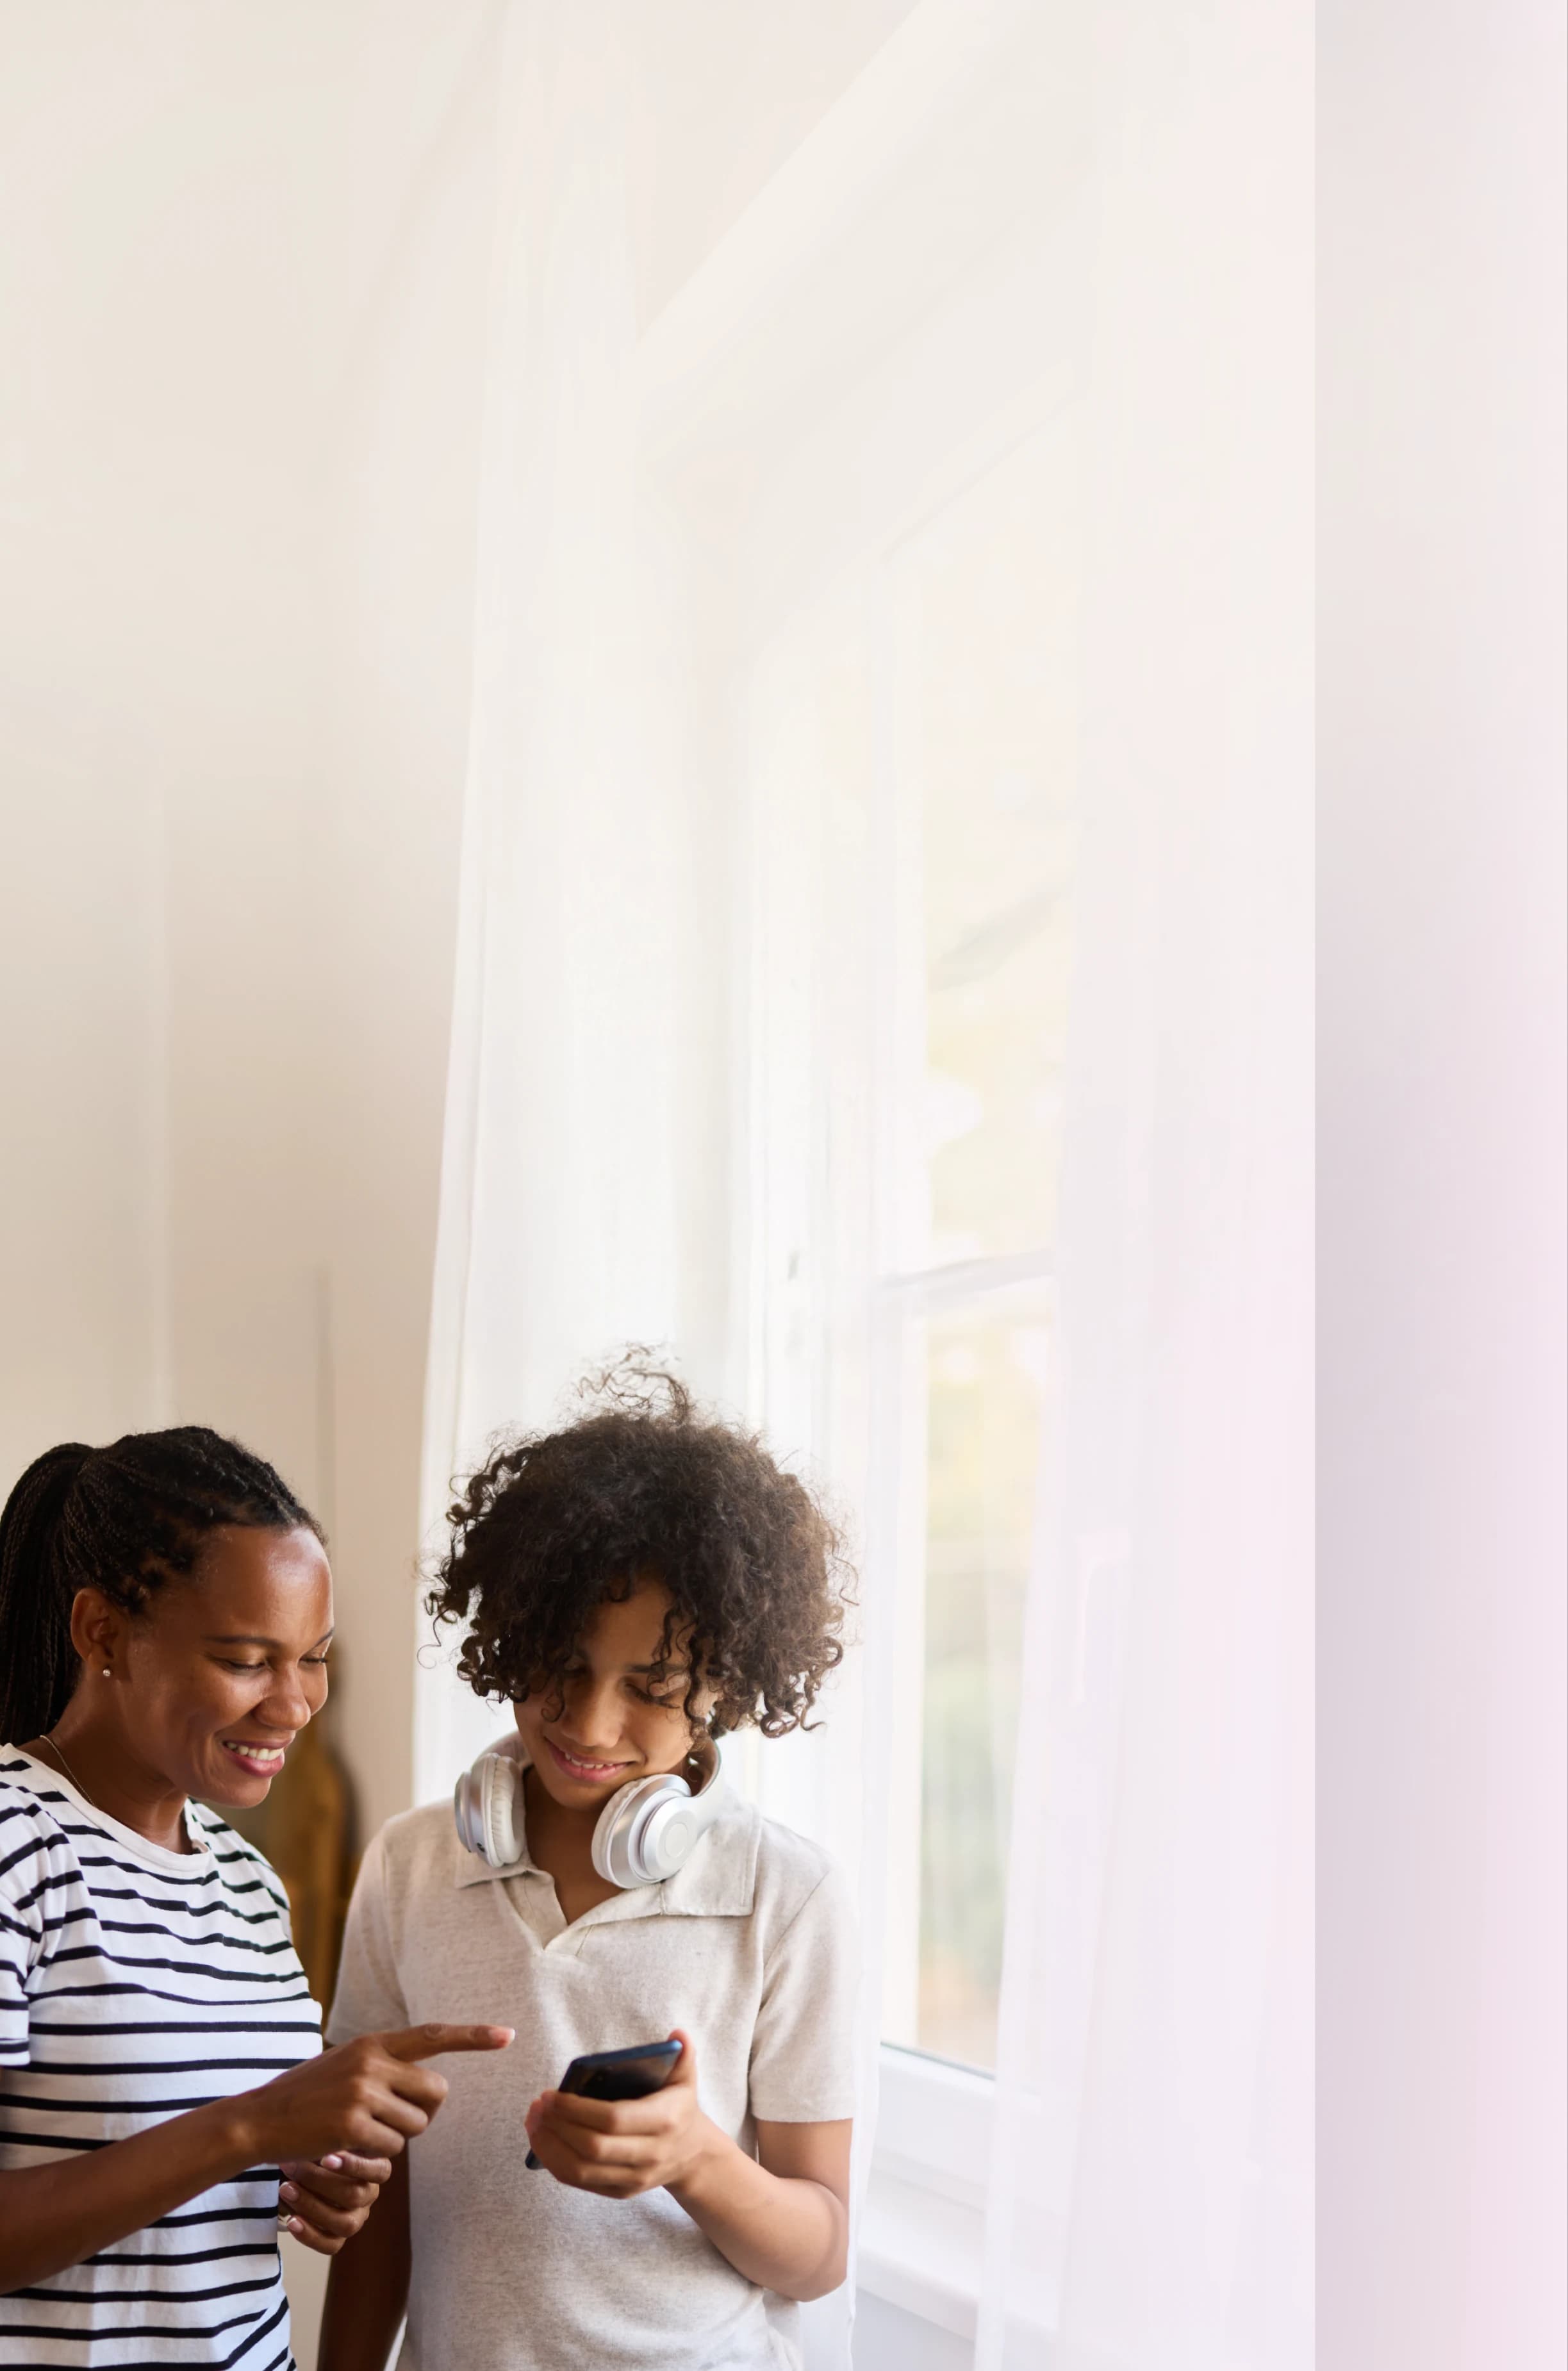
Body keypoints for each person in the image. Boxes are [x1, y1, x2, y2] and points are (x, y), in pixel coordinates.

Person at [319, 1366, 857, 2371]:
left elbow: (818, 2252)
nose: (591, 1721)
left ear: (725, 1689)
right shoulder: (410, 1864)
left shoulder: (786, 1897)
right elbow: (379, 2189)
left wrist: (696, 2158)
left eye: (650, 1687)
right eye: (560, 1665)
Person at [0, 1427, 512, 2369]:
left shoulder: (246, 1883)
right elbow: (213, 2132)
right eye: (245, 1660)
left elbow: (189, 2181)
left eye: (313, 1657)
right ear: (102, 1632)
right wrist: (250, 2126)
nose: (294, 1704)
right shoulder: (14, 1844)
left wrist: (307, 2177)